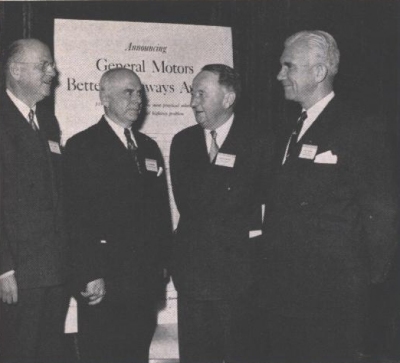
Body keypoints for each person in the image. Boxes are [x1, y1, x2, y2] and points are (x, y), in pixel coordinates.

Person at [258, 30, 398, 363]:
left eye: (288, 66)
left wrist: (364, 278)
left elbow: (383, 209)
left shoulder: (360, 126)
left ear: (319, 72)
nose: (280, 75)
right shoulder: (290, 126)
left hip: (332, 295)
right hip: (288, 291)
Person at [64, 68, 171, 363]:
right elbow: (74, 217)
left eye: (139, 93)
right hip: (105, 281)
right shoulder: (82, 146)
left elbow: (160, 212)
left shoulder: (148, 148)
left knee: (136, 353)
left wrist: (162, 264)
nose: (137, 99)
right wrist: (88, 273)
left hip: (143, 282)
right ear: (104, 97)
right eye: (128, 92)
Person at [169, 64, 275, 363]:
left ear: (228, 99)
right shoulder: (183, 142)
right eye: (192, 94)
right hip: (194, 280)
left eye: (201, 94)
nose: (193, 102)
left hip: (242, 280)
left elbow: (263, 205)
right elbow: (189, 204)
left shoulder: (261, 141)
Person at [0, 39, 70, 363]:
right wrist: (3, 269)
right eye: (44, 65)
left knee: (49, 354)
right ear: (15, 70)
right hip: (17, 276)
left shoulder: (48, 122)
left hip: (54, 271)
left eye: (51, 65)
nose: (52, 72)